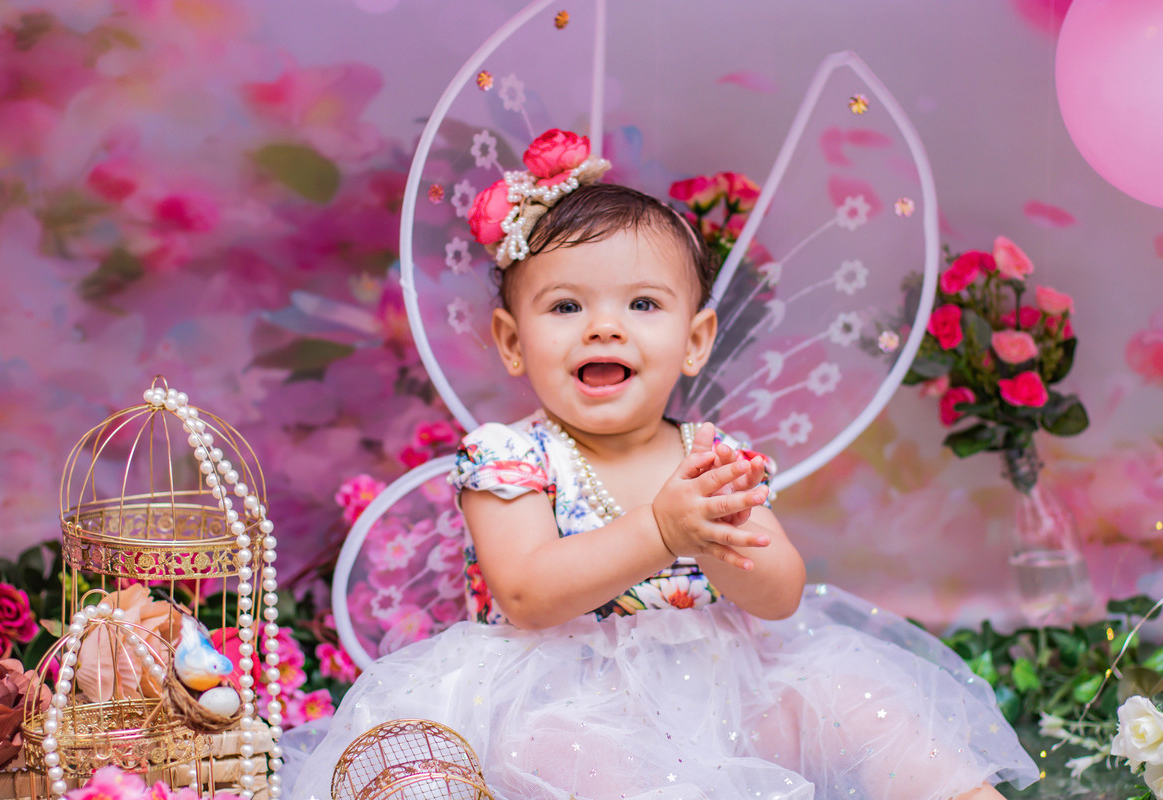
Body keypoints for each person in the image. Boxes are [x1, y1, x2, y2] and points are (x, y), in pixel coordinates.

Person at [288, 130, 1037, 800]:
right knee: (565, 754)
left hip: (723, 694)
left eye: (642, 305)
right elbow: (526, 593)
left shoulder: (710, 457)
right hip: (560, 700)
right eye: (566, 307)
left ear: (695, 340)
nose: (604, 327)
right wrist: (662, 530)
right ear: (513, 342)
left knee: (853, 698)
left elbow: (779, 595)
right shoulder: (508, 456)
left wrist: (721, 543)